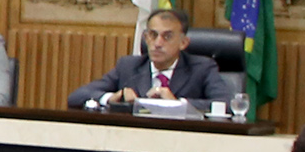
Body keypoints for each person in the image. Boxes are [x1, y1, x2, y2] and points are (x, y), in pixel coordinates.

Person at [68, 8, 222, 108]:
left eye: (167, 37)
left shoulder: (202, 68)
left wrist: (177, 105)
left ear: (183, 43)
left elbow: (225, 104)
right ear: (146, 38)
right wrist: (112, 97)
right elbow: (76, 97)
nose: (158, 43)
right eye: (153, 35)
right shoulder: (129, 66)